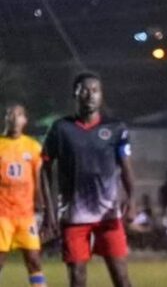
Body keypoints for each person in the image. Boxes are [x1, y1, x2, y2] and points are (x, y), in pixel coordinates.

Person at [42, 72, 134, 287]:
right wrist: (49, 211)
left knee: (121, 276)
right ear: (75, 94)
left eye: (95, 90)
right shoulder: (60, 129)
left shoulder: (116, 128)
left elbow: (126, 167)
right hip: (73, 215)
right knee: (77, 278)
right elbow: (44, 168)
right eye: (84, 90)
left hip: (108, 214)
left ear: (101, 95)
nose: (90, 95)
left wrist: (133, 199)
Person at [0, 103, 47, 286]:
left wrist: (42, 207)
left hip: (25, 214)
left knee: (34, 259)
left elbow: (38, 180)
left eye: (19, 115)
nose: (14, 118)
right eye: (10, 114)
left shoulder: (33, 147)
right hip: (2, 214)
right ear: (5, 119)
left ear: (25, 120)